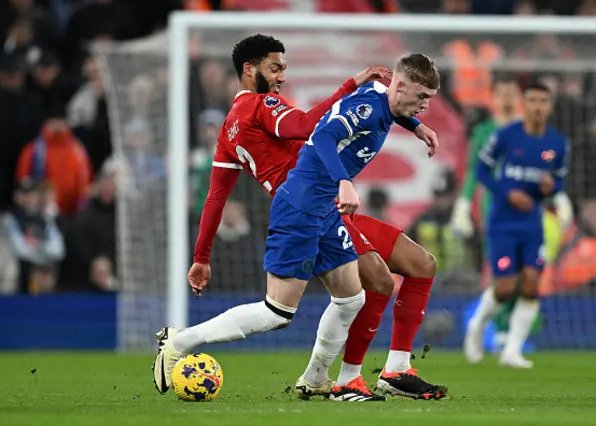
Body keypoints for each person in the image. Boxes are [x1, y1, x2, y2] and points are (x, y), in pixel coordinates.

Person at [153, 34, 443, 401]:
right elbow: (312, 127)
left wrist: (201, 257)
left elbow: (215, 197)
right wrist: (350, 85)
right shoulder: (263, 106)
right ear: (249, 69)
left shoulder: (229, 129)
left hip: (321, 206)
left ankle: (329, 378)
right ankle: (180, 341)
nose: (281, 78)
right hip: (305, 204)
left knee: (363, 293)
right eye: (275, 68)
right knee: (281, 311)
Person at [463, 83, 569, 369]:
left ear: (550, 106)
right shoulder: (506, 136)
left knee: (533, 285)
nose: (537, 106)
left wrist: (551, 187)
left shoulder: (557, 143)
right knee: (505, 287)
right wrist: (506, 192)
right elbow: (481, 169)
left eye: (543, 101)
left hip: (532, 222)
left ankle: (512, 350)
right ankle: (477, 325)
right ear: (524, 105)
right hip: (502, 222)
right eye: (532, 100)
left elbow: (558, 181)